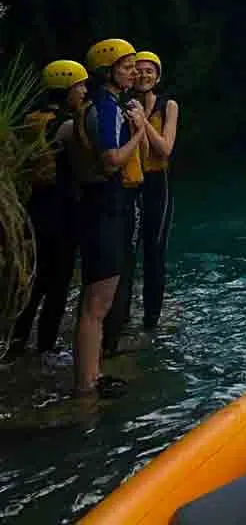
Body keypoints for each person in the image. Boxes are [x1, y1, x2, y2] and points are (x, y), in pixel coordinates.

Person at [69, 39, 146, 399]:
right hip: (104, 208)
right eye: (128, 65)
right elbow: (112, 159)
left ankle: (92, 374)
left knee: (94, 302)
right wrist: (141, 131)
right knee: (96, 305)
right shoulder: (105, 106)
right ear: (109, 69)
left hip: (97, 206)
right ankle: (86, 384)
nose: (134, 70)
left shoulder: (102, 104)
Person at [6, 61, 87, 358]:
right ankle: (46, 346)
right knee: (58, 281)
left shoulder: (28, 119)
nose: (83, 91)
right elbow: (82, 165)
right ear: (66, 88)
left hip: (35, 206)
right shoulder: (66, 125)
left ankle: (17, 341)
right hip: (62, 208)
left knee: (36, 279)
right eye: (79, 86)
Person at [131, 51, 178, 332]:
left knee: (154, 251)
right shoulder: (124, 104)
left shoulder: (167, 105)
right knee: (126, 253)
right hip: (130, 184)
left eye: (150, 71)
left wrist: (143, 119)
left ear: (157, 76)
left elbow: (165, 148)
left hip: (158, 183)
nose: (144, 75)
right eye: (139, 70)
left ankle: (151, 321)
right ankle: (120, 318)